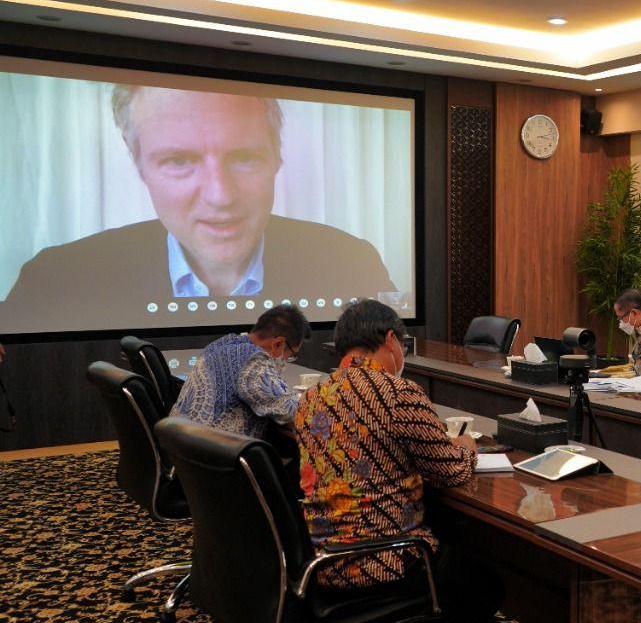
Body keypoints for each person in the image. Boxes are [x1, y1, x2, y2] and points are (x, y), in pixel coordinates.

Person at [2, 85, 398, 327]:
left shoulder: (351, 261)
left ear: (277, 157)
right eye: (179, 161)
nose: (220, 195)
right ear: (138, 163)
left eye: (244, 157)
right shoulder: (55, 279)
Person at [294, 299, 499, 621]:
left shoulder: (312, 397)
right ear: (391, 340)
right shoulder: (398, 393)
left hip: (320, 559)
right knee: (484, 580)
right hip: (385, 559)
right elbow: (450, 471)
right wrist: (467, 446)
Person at [169, 303, 310, 438]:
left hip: (182, 449)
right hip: (213, 456)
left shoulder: (221, 344)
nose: (287, 360)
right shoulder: (252, 361)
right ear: (278, 343)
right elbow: (290, 410)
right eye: (291, 355)